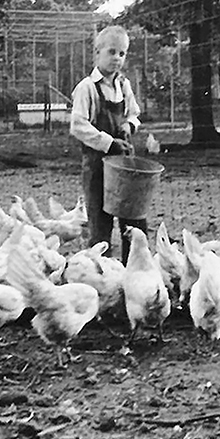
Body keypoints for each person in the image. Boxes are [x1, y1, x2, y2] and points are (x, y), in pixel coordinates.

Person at [70, 25, 145, 263]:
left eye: (122, 54)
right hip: (97, 166)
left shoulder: (124, 86)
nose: (117, 59)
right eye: (111, 52)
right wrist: (108, 142)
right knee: (100, 226)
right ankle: (101, 275)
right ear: (97, 53)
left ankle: (129, 271)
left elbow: (134, 113)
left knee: (132, 222)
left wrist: (128, 126)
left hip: (123, 167)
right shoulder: (87, 88)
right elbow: (78, 125)